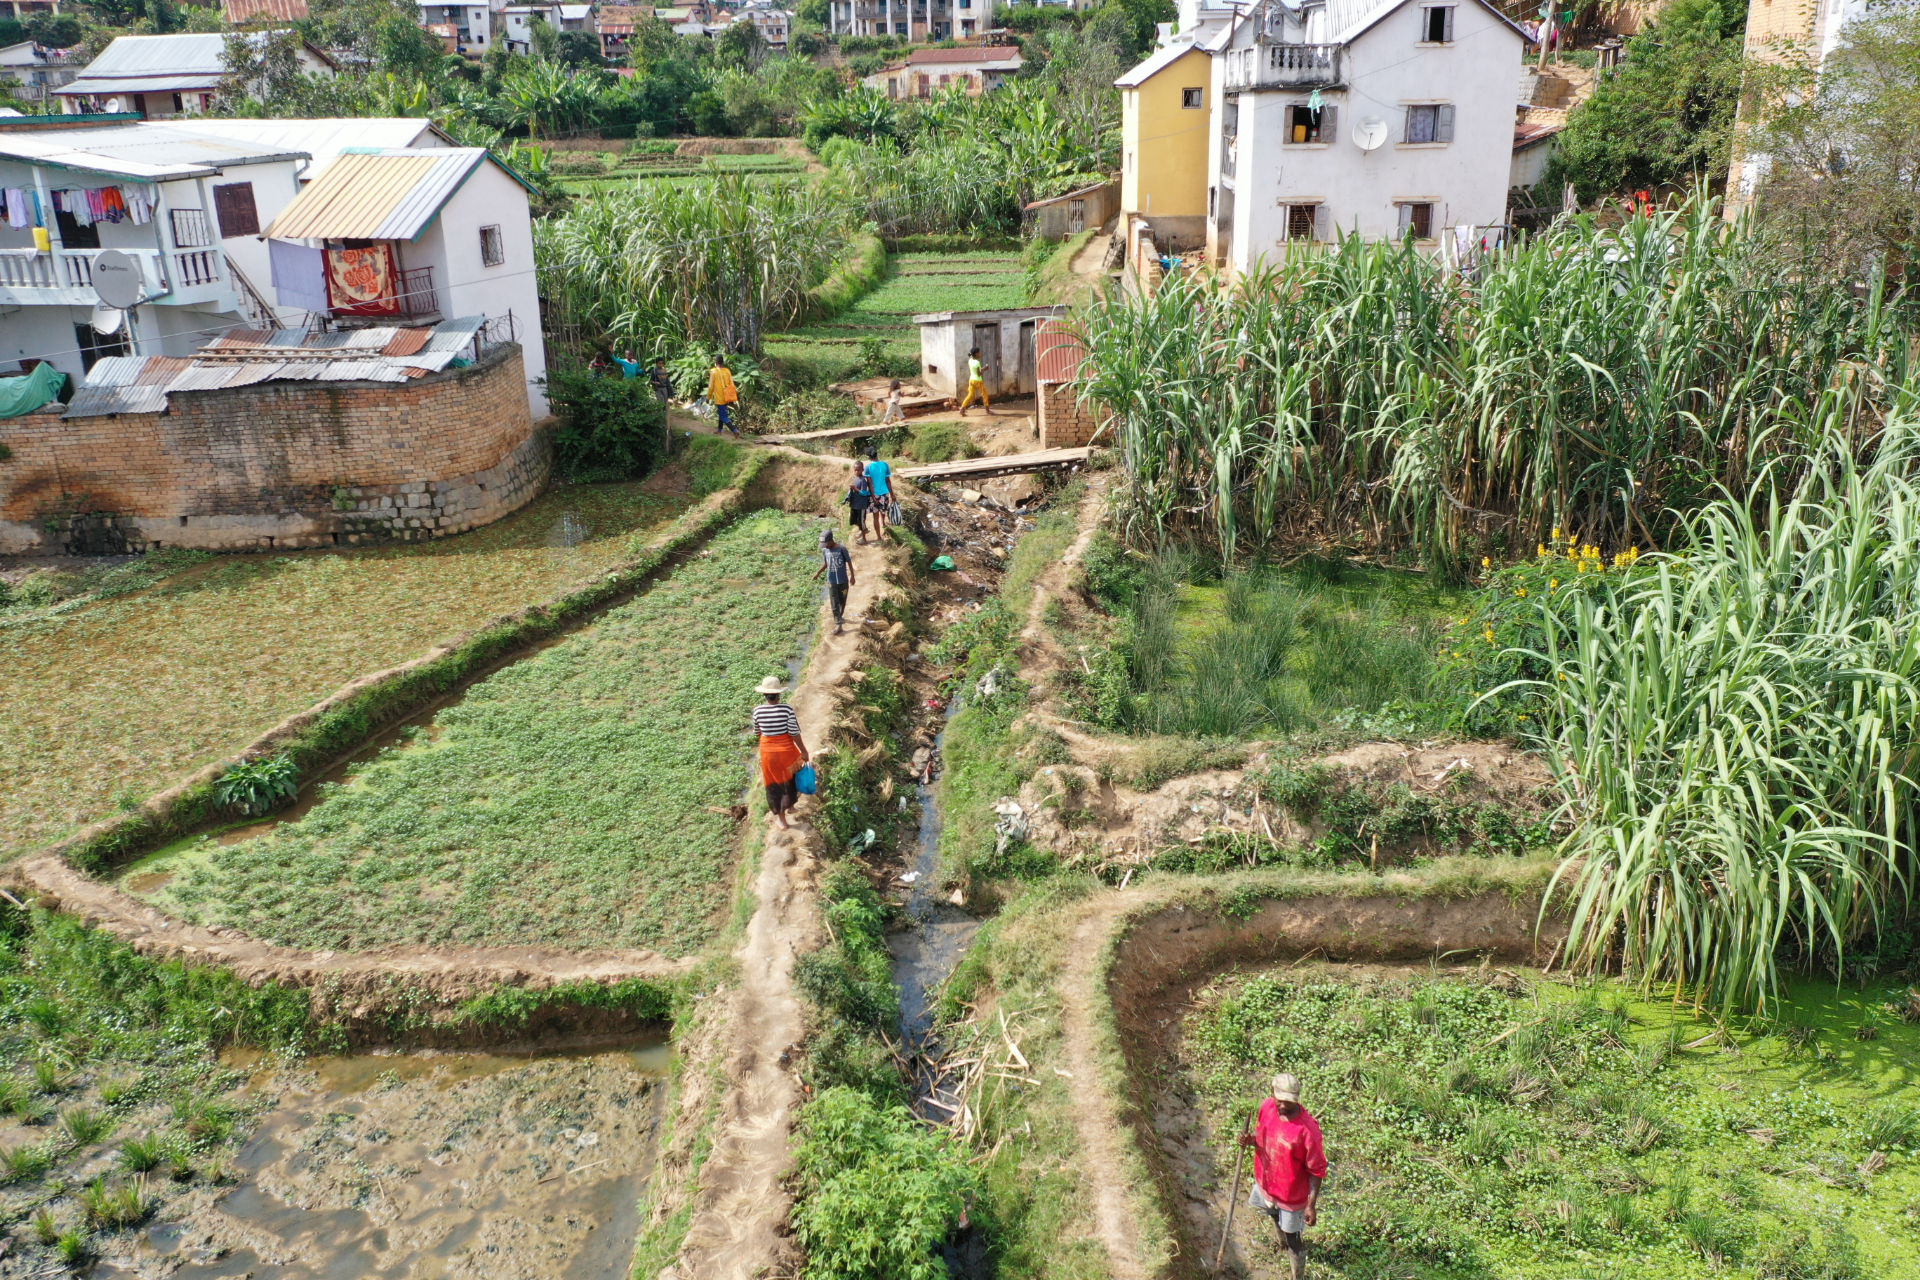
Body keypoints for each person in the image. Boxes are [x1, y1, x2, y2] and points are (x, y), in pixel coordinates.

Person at [1238, 1073, 1327, 1280]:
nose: (1284, 1105)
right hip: (1266, 1184)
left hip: (1291, 1196)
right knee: (1270, 1213)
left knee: (1294, 1240)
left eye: (1289, 1101)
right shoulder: (1267, 1107)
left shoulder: (1307, 1130)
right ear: (1272, 1094)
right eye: (1280, 1099)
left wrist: (1310, 1205)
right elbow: (1262, 1138)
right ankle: (1281, 1244)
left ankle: (1298, 1275)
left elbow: (1317, 1170)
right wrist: (1248, 1140)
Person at [751, 675, 810, 830]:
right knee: (791, 777)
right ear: (778, 694)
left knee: (775, 783)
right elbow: (794, 732)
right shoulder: (786, 709)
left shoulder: (757, 711)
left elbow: (757, 732)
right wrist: (803, 751)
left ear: (764, 695)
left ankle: (782, 820)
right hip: (787, 752)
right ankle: (790, 806)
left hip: (768, 753)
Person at [813, 529, 857, 633]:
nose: (825, 546)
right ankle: (838, 624)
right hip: (832, 581)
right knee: (834, 602)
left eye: (826, 543)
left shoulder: (842, 549)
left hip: (843, 580)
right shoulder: (825, 550)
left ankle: (840, 616)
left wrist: (852, 576)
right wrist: (818, 573)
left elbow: (849, 562)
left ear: (831, 540)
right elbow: (826, 563)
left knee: (842, 600)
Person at [863, 449, 893, 538]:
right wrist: (892, 494)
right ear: (877, 455)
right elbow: (888, 481)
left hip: (874, 494)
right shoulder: (885, 465)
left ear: (868, 456)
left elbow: (870, 483)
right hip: (884, 493)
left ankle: (879, 537)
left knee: (875, 516)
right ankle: (883, 523)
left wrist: (873, 496)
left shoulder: (868, 467)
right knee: (883, 511)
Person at [709, 355, 740, 435]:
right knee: (721, 413)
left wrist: (708, 397)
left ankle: (734, 431)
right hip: (727, 396)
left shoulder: (713, 372)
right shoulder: (727, 371)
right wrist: (733, 398)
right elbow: (732, 384)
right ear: (723, 362)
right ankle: (719, 430)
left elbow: (711, 386)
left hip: (719, 397)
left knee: (723, 416)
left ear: (716, 362)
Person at [845, 464, 874, 544]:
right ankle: (864, 529)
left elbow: (864, 493)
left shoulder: (863, 480)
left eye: (859, 470)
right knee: (853, 520)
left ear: (862, 470)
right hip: (855, 504)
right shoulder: (856, 478)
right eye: (855, 470)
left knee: (861, 521)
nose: (857, 471)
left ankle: (864, 538)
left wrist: (855, 488)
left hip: (861, 505)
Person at [957, 347, 990, 415]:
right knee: (984, 395)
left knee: (970, 395)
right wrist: (985, 369)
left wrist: (983, 368)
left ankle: (962, 409)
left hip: (972, 380)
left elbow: (976, 370)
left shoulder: (970, 360)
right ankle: (987, 410)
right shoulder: (977, 362)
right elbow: (979, 374)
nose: (981, 353)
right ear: (976, 353)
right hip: (978, 381)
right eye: (980, 352)